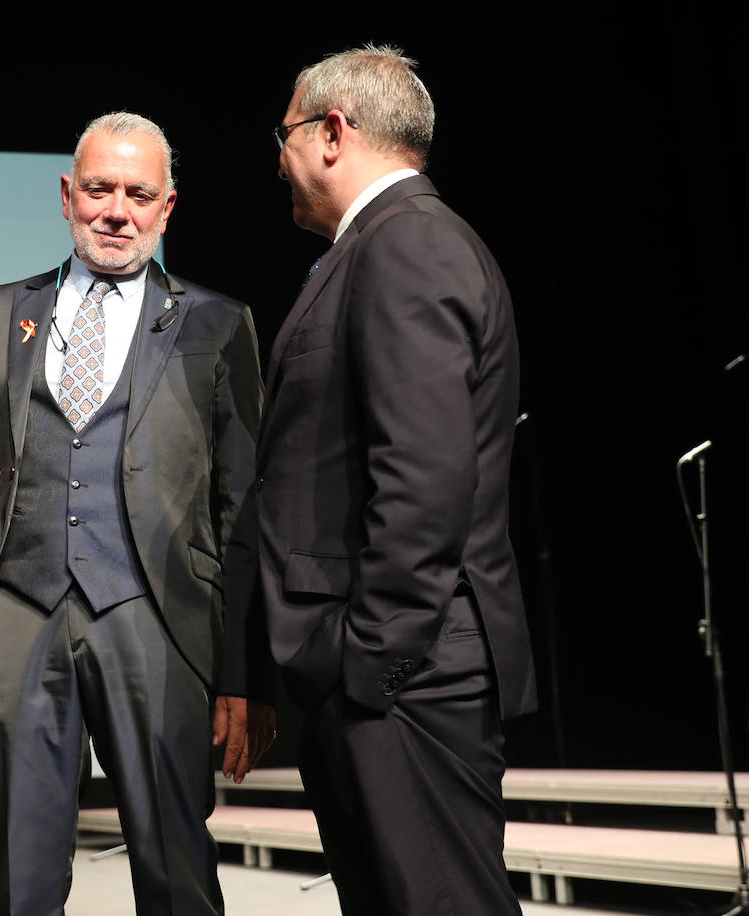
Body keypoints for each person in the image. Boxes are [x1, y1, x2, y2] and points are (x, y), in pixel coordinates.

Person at [0, 111, 276, 916]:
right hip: (18, 611)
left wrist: (242, 673)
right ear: (68, 195)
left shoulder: (217, 325)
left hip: (157, 619)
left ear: (167, 206)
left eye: (138, 193)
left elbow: (243, 505)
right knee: (17, 874)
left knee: (176, 864)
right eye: (100, 190)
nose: (117, 210)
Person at [238, 46, 537, 914]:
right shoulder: (378, 245)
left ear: (333, 133)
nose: (279, 159)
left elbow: (424, 479)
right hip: (393, 668)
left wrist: (370, 664)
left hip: (408, 675)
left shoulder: (407, 244)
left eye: (285, 134)